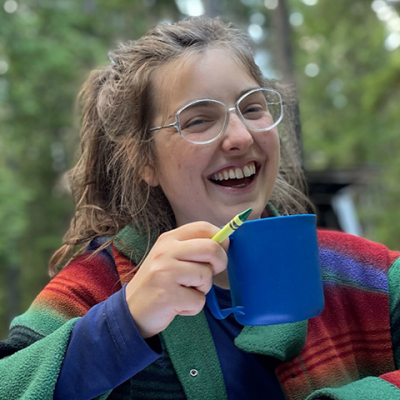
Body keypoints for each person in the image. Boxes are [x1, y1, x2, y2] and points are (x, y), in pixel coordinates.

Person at [1, 16, 400, 400]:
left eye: (253, 107)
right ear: (144, 161)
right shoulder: (100, 286)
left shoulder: (361, 273)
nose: (240, 137)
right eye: (198, 121)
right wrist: (125, 323)